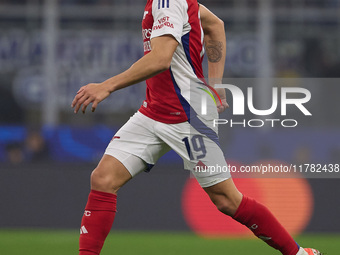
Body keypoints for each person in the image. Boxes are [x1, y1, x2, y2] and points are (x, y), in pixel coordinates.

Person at [71, 1, 322, 255]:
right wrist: (216, 82)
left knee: (226, 200)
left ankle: (298, 253)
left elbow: (160, 59)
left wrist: (107, 86)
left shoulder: (166, 1)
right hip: (153, 112)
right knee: (103, 179)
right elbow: (215, 25)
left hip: (188, 117)